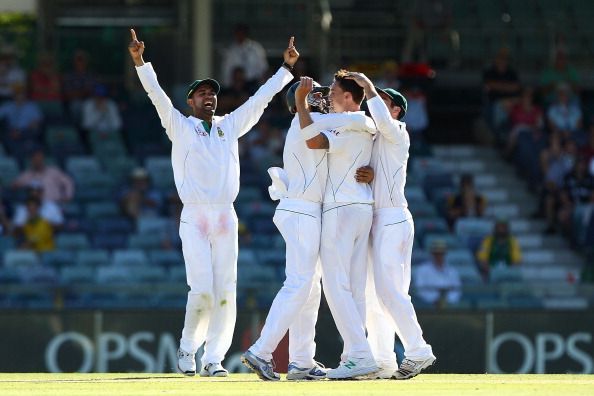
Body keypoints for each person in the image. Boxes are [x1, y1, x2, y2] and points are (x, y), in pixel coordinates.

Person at [128, 28, 299, 377]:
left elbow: (259, 101)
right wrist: (140, 62)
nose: (209, 97)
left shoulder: (228, 126)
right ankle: (188, 349)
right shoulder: (179, 125)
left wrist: (285, 69)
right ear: (190, 101)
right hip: (194, 215)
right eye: (201, 93)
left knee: (226, 292)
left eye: (212, 93)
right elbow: (157, 95)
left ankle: (214, 359)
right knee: (202, 289)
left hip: (225, 216)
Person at [345, 72, 436, 380]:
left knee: (390, 291)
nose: (377, 105)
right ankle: (382, 361)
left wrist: (368, 86)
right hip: (376, 220)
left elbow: (382, 121)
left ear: (396, 110)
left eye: (384, 101)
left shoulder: (396, 130)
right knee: (373, 295)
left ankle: (418, 349)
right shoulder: (376, 137)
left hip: (393, 218)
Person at [296, 72, 378, 379]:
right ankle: (354, 358)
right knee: (355, 288)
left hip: (342, 209)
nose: (329, 98)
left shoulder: (351, 122)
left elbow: (314, 140)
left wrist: (300, 105)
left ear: (347, 97)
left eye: (333, 93)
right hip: (362, 208)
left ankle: (359, 353)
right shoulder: (365, 124)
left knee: (334, 284)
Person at [0, 84, 43, 158]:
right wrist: (12, 131)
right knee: (6, 137)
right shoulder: (7, 106)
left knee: (32, 135)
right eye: (18, 94)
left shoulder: (32, 106)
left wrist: (21, 132)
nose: (20, 96)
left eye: (22, 94)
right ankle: (15, 154)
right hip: (11, 131)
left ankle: (19, 153)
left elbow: (37, 122)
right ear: (14, 96)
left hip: (26, 131)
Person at [414, 240, 461, 306]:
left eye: (441, 253)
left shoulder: (452, 271)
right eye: (436, 253)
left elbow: (457, 290)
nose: (439, 256)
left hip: (449, 306)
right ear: (432, 254)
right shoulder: (422, 270)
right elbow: (420, 290)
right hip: (427, 306)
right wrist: (434, 300)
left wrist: (447, 300)